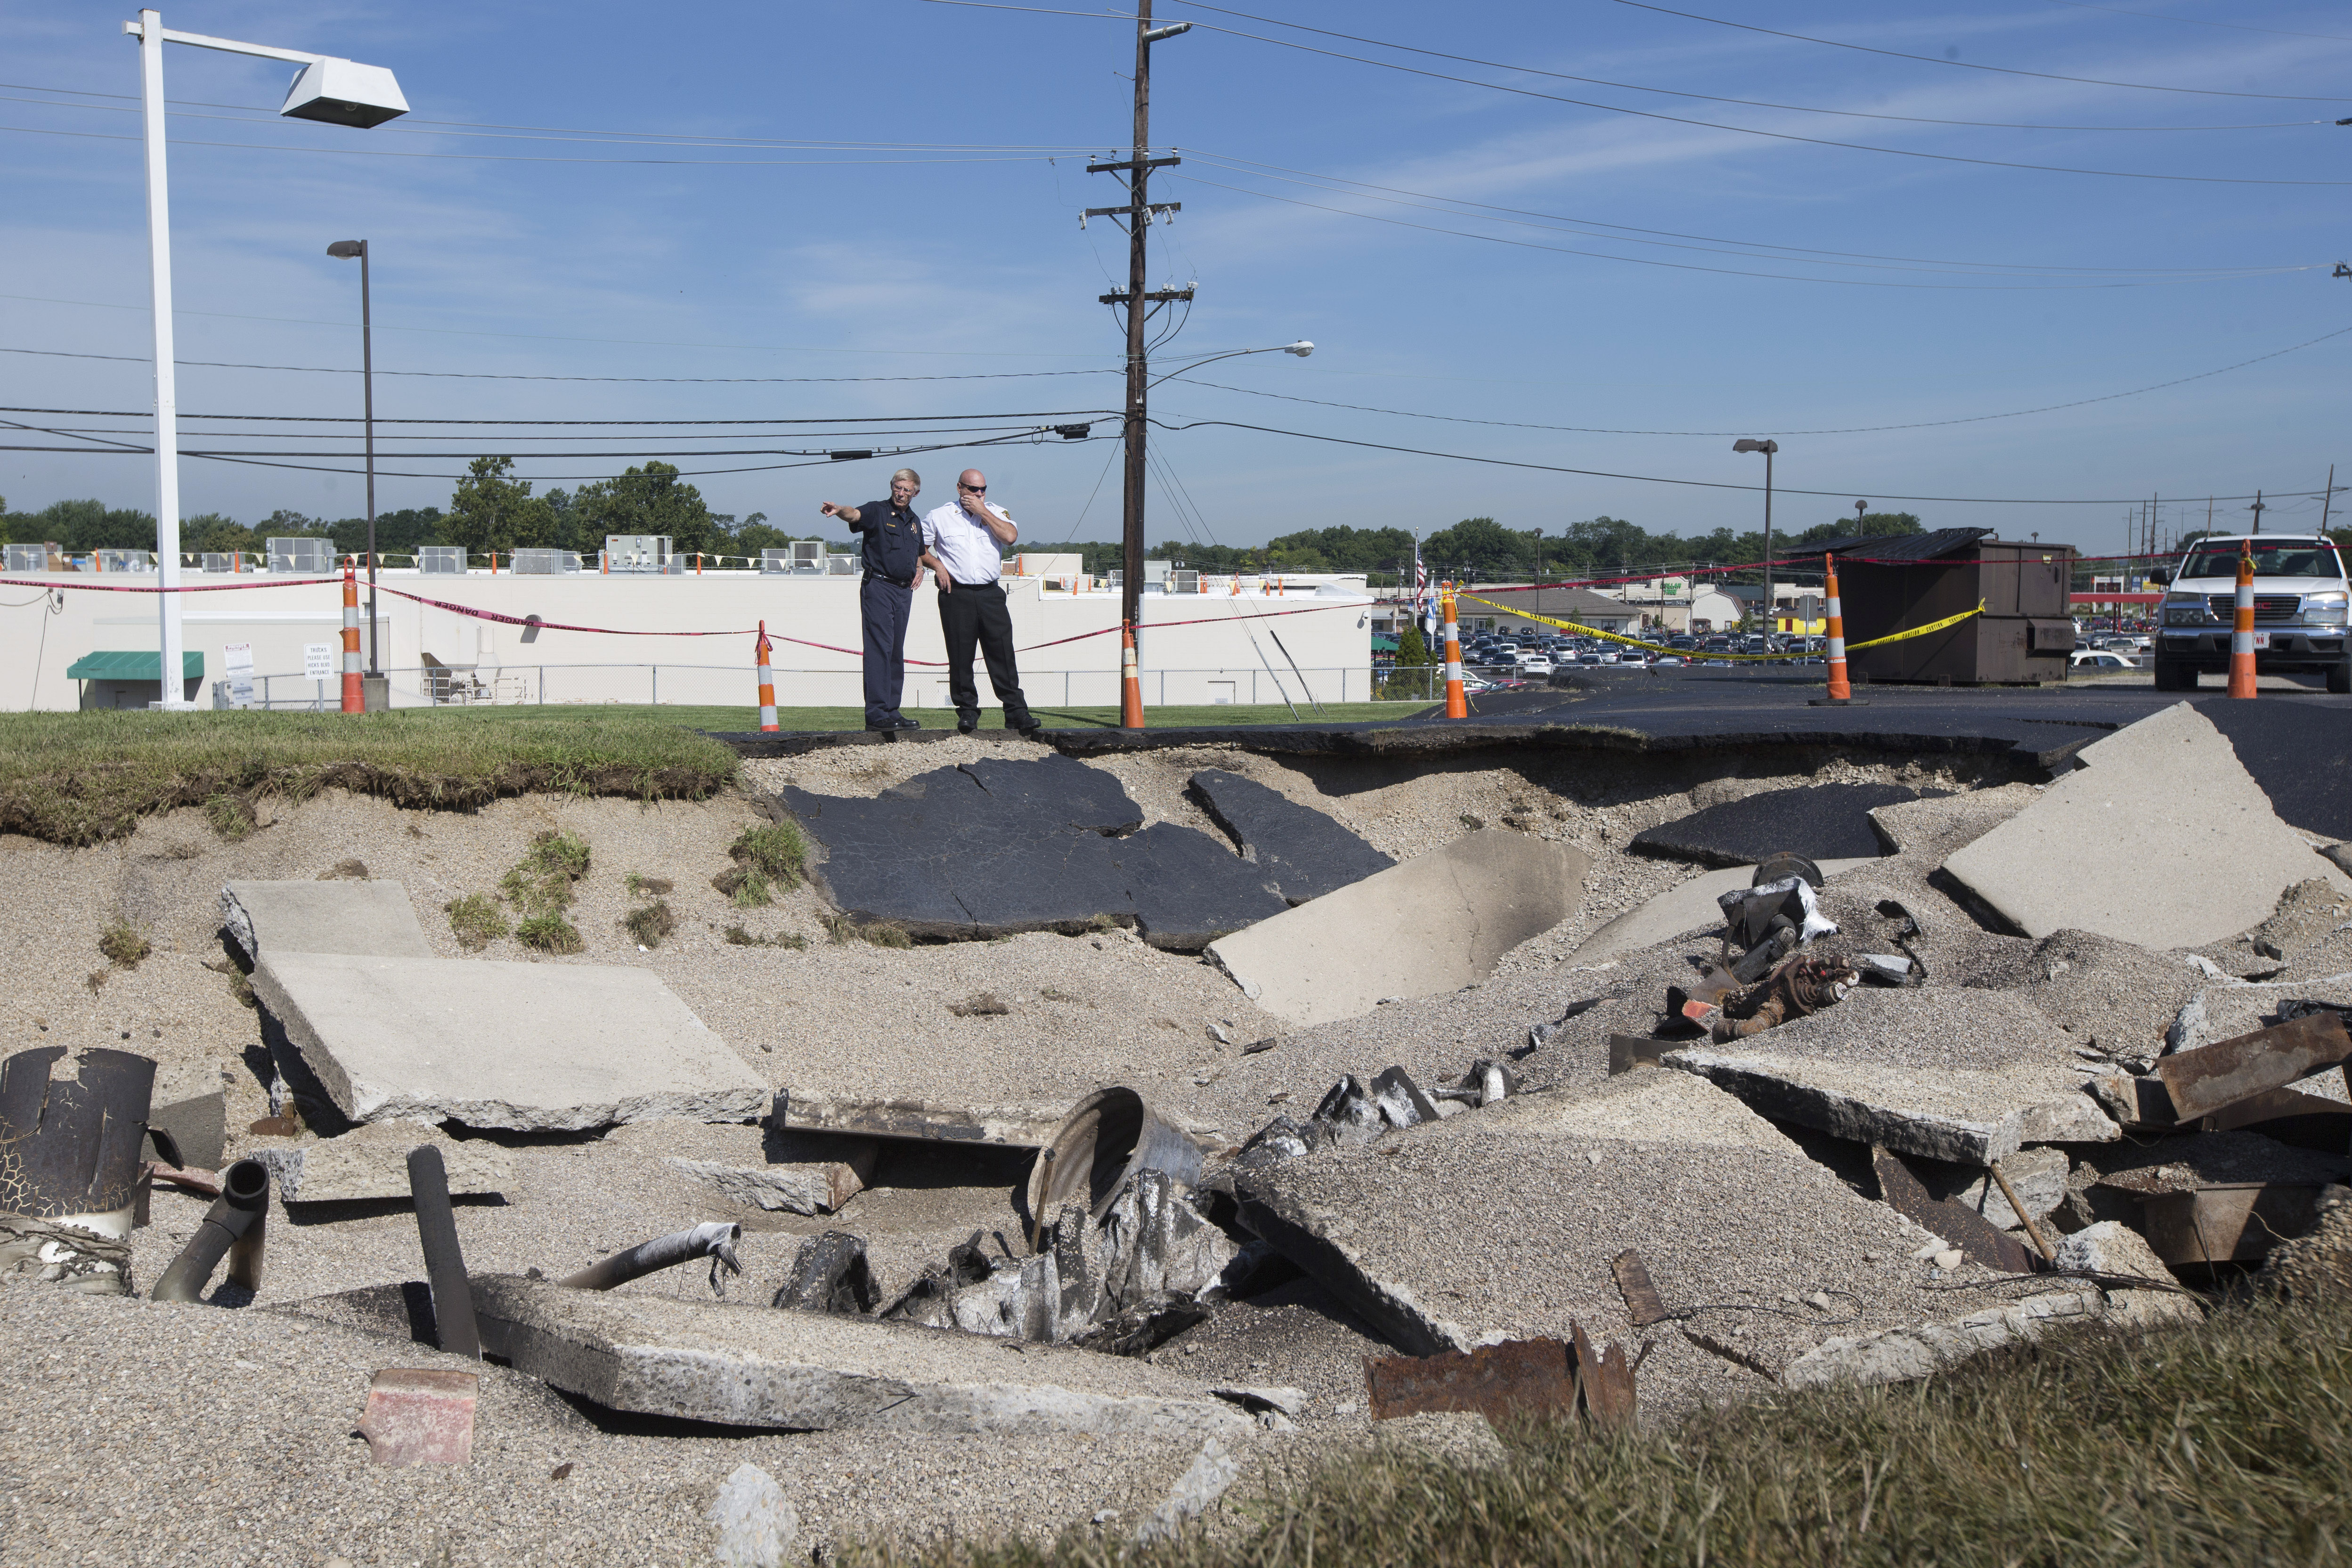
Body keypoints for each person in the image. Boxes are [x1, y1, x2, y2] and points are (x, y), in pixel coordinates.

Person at [919, 468, 1040, 738]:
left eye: (983, 489)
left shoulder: (996, 512)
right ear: (959, 488)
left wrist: (983, 511)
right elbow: (919, 548)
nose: (979, 494)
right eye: (973, 489)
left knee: (1002, 652)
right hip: (956, 593)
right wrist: (937, 566)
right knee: (961, 655)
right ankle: (968, 712)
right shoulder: (940, 516)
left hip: (990, 593)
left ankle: (1016, 711)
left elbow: (1010, 537)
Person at [820, 469, 928, 732]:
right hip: (879, 587)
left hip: (904, 593)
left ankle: (892, 710)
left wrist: (920, 568)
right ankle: (877, 713)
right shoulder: (877, 510)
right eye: (897, 488)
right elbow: (854, 515)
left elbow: (919, 551)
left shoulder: (914, 521)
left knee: (895, 651)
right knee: (880, 648)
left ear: (916, 492)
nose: (901, 493)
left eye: (906, 490)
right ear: (892, 487)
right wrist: (839, 509)